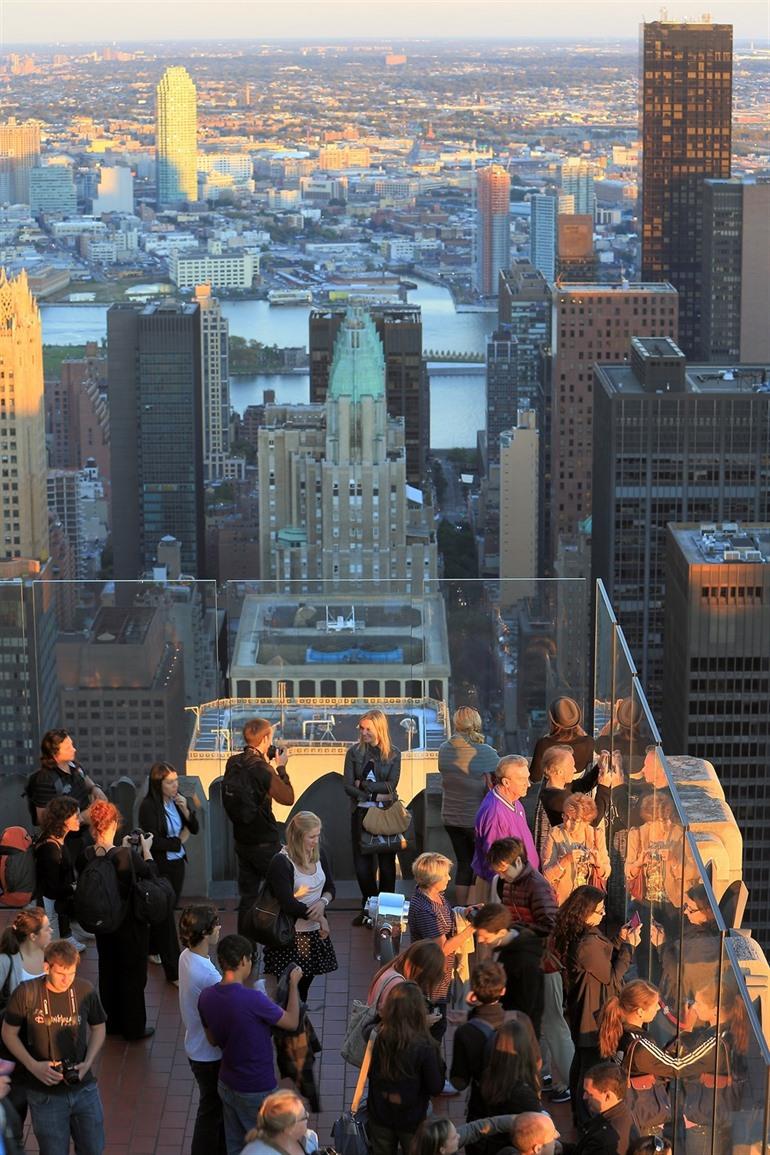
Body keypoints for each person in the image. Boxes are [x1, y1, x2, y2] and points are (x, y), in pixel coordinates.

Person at [197, 933, 302, 1155]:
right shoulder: (253, 999)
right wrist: (293, 985)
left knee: (235, 1146)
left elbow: (213, 1040)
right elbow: (291, 1022)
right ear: (244, 960)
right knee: (266, 1146)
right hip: (257, 1086)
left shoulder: (206, 997)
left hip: (227, 1082)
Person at [1, 938, 107, 1155]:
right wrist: (33, 1066)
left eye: (72, 973)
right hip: (44, 1094)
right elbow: (7, 1033)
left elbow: (99, 1027)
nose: (67, 980)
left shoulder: (84, 990)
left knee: (94, 1149)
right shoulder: (26, 993)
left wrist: (88, 1063)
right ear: (46, 967)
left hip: (83, 1087)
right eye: (61, 973)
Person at [551, 886, 639, 1126]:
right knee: (589, 1066)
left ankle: (579, 1114)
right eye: (599, 911)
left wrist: (619, 940)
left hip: (583, 1009)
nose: (602, 914)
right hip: (592, 1014)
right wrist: (629, 947)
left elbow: (600, 962)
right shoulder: (587, 944)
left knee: (581, 1061)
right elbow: (612, 976)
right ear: (586, 912)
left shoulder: (582, 935)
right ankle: (585, 1117)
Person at [597, 980, 721, 1135]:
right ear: (640, 1011)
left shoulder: (621, 1031)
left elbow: (656, 1060)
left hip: (632, 1115)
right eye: (655, 1004)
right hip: (645, 1120)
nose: (658, 1008)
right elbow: (676, 1067)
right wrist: (688, 1030)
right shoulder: (639, 1044)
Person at [79, 799, 158, 1041]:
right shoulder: (125, 856)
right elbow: (150, 875)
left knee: (108, 970)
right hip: (128, 923)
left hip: (103, 924)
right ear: (114, 823)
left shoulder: (86, 855)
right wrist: (146, 851)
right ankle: (133, 1027)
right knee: (132, 974)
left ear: (94, 826)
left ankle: (111, 1023)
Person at [222, 717, 295, 939]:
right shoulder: (263, 769)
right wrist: (281, 768)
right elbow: (288, 797)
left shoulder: (233, 762)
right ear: (265, 739)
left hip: (242, 841)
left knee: (248, 897)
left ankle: (245, 951)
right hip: (265, 844)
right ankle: (280, 938)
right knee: (283, 892)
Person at [262, 811, 337, 1003]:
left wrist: (323, 902)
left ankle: (297, 1022)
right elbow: (288, 903)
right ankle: (290, 1025)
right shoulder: (281, 862)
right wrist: (320, 918)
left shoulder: (320, 855)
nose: (316, 840)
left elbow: (330, 887)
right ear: (297, 837)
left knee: (302, 989)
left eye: (318, 835)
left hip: (312, 934)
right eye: (311, 836)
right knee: (288, 992)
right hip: (289, 936)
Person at [367, 983, 445, 1155]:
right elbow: (436, 1086)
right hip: (411, 1119)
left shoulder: (379, 1036)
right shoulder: (425, 1045)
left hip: (379, 1114)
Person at [138, 762, 199, 981]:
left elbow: (194, 828)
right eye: (170, 782)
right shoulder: (148, 807)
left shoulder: (177, 800)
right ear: (158, 784)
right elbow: (153, 842)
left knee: (167, 909)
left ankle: (152, 948)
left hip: (177, 864)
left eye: (176, 781)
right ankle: (174, 970)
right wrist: (178, 842)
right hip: (161, 866)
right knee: (165, 917)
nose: (175, 786)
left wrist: (184, 808)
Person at [407, 852, 477, 1042]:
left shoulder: (435, 896)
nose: (449, 877)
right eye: (445, 874)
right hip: (431, 978)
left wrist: (464, 912)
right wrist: (472, 929)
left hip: (440, 975)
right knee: (435, 1028)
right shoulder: (424, 908)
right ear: (433, 878)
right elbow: (442, 949)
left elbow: (447, 918)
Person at [437, 707, 499, 903]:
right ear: (476, 723)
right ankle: (474, 910)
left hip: (450, 817)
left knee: (463, 863)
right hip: (475, 819)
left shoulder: (444, 750)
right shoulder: (485, 752)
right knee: (479, 865)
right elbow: (504, 770)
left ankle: (461, 911)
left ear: (456, 724)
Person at [344, 709, 402, 918]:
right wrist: (372, 792)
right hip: (360, 815)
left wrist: (365, 786)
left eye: (368, 728)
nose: (364, 732)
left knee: (387, 867)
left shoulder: (394, 753)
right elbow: (348, 786)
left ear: (379, 729)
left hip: (385, 815)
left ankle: (386, 912)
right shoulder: (354, 753)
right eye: (362, 728)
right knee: (362, 868)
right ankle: (369, 908)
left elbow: (391, 786)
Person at [178, 903, 225, 1155]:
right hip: (210, 1055)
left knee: (212, 1107)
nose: (219, 927)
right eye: (216, 924)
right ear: (205, 933)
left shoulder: (186, 957)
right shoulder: (208, 975)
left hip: (195, 1046)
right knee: (211, 1110)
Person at [0, 908, 53, 1122]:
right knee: (16, 1105)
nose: (52, 931)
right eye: (47, 928)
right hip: (14, 1045)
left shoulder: (51, 957)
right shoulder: (7, 961)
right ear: (33, 936)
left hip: (44, 1044)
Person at [469, 1019, 542, 1155]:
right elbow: (537, 1129)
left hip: (493, 1145)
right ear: (525, 1051)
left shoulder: (491, 1077)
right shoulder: (522, 1093)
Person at [473, 905, 546, 1037]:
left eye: (485, 937)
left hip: (517, 1034)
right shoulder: (505, 945)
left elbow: (525, 1006)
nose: (480, 941)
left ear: (501, 933)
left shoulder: (525, 960)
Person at [472, 756, 539, 892]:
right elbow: (498, 863)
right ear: (506, 782)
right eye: (522, 779)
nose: (529, 784)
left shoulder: (516, 802)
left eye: (528, 778)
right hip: (508, 888)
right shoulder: (495, 814)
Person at [26, 730, 106, 838]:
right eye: (68, 748)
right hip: (65, 839)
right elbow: (43, 819)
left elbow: (85, 780)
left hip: (86, 833)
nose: (74, 749)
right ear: (54, 753)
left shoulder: (75, 767)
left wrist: (95, 788)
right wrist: (82, 817)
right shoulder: (45, 779)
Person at [34, 797, 85, 951]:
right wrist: (74, 888)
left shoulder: (57, 841)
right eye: (76, 816)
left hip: (55, 909)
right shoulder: (50, 849)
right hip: (48, 912)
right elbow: (52, 890)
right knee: (53, 954)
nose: (80, 819)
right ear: (63, 819)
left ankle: (67, 934)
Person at [542, 794, 610, 907]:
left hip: (588, 904)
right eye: (565, 816)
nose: (567, 823)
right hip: (563, 904)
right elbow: (546, 876)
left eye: (574, 820)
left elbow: (606, 872)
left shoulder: (596, 835)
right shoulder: (555, 834)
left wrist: (598, 864)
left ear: (586, 821)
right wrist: (566, 859)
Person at [571, 1063, 639, 1155]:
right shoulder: (624, 1114)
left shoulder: (604, 1140)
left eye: (589, 1093)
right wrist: (563, 1148)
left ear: (608, 1096)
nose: (584, 1097)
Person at [529, 696, 594, 784]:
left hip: (550, 793)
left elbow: (535, 777)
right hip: (579, 793)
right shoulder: (588, 742)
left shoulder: (544, 744)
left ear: (553, 720)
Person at [367, 941, 446, 1011]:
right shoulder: (399, 987)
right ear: (422, 972)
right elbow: (396, 1024)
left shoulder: (392, 970)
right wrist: (425, 1022)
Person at [241, 1089, 319, 1155]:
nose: (308, 1116)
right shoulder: (257, 1152)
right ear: (288, 1128)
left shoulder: (310, 1139)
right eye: (304, 1117)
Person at [411, 1113, 517, 1155]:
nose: (459, 1136)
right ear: (442, 1149)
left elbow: (475, 1129)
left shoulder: (438, 1145)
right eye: (453, 1137)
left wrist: (517, 1120)